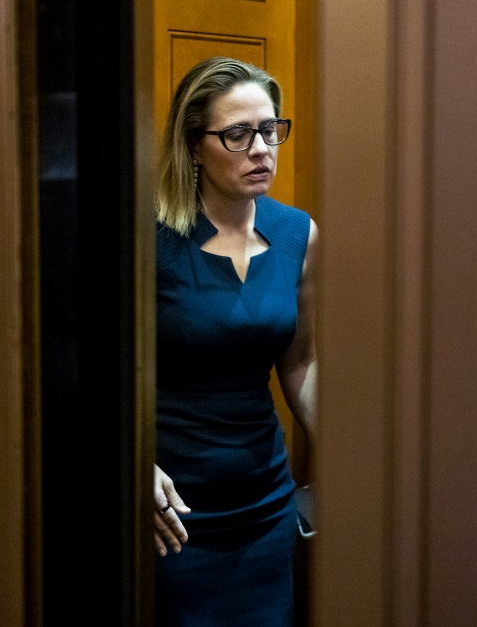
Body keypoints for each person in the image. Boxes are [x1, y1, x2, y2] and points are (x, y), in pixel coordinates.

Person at [153, 56, 318, 626]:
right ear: (194, 145)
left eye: (270, 129)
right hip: (172, 512)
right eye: (238, 133)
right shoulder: (148, 237)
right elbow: (88, 369)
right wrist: (130, 466)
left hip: (265, 503)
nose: (261, 148)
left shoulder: (299, 232)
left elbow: (301, 362)